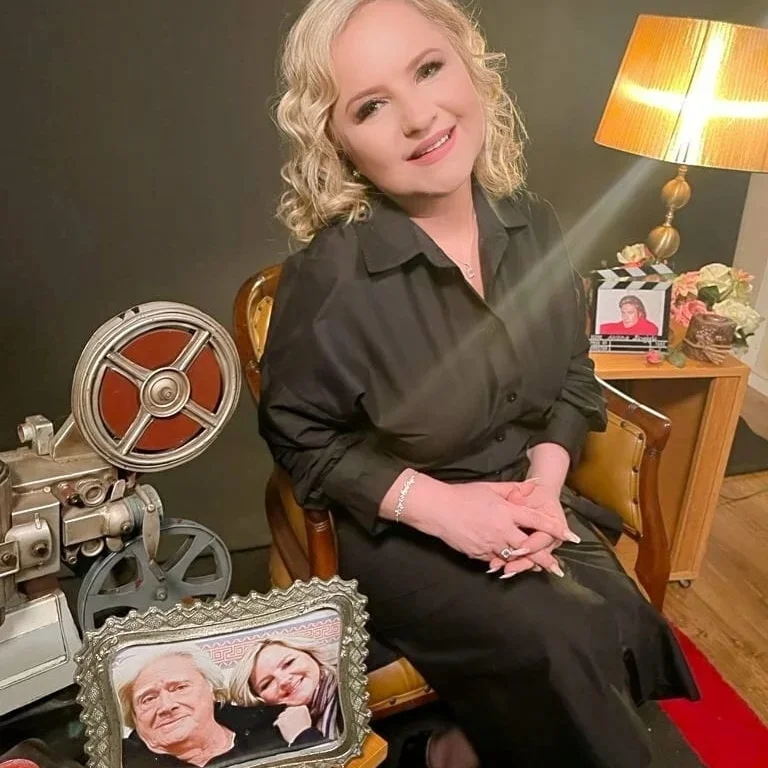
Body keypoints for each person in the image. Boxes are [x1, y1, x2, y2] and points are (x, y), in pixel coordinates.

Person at [258, 1, 699, 766]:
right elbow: (301, 440)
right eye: (371, 106)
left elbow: (572, 373)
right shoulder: (330, 277)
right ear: (338, 143)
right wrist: (449, 512)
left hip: (525, 494)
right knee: (561, 641)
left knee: (619, 623)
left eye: (428, 69)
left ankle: (457, 749)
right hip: (402, 527)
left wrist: (544, 486)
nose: (418, 116)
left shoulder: (531, 222)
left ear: (471, 67)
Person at [115, 646, 297, 767]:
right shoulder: (117, 760)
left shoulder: (280, 727)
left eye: (180, 688)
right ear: (134, 716)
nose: (166, 706)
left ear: (212, 690)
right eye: (148, 699)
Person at [228, 637, 341, 744]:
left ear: (311, 654)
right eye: (267, 684)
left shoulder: (348, 687)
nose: (283, 681)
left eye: (289, 663)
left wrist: (302, 735)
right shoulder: (274, 734)